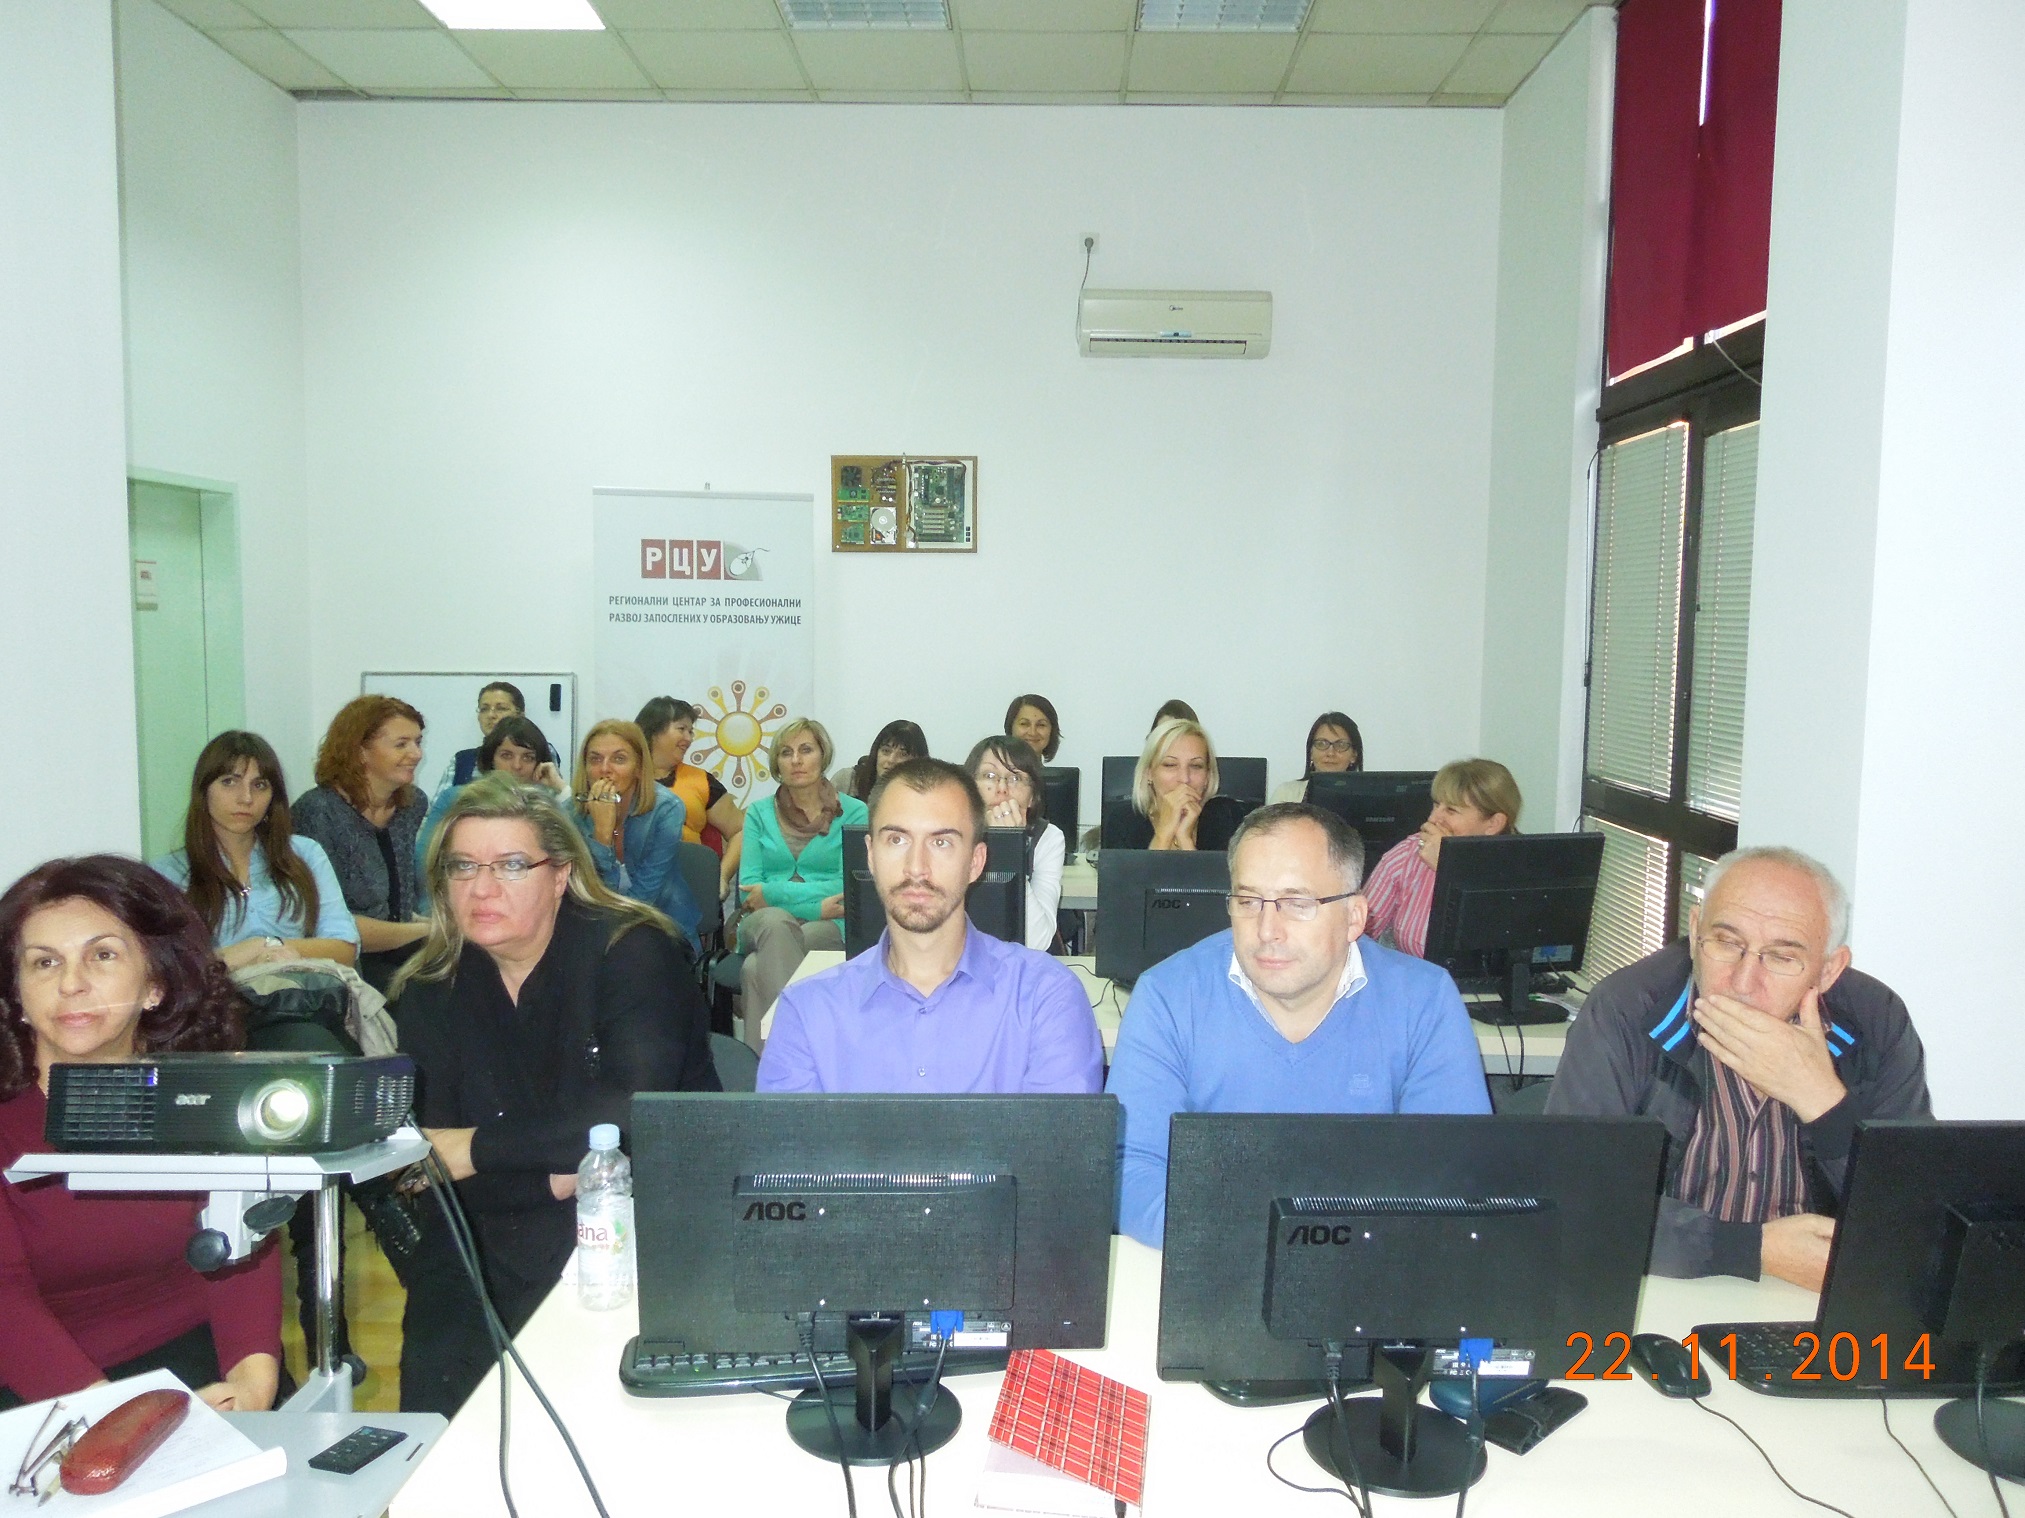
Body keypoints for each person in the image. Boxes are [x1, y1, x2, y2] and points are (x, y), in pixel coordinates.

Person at [392, 778, 719, 1415]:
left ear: (561, 874)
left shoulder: (633, 952)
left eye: (512, 865)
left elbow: (634, 1116)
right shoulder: (431, 985)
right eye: (463, 867)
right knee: (441, 1418)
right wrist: (552, 1175)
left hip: (637, 1229)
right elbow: (424, 1167)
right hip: (485, 1235)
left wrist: (478, 1150)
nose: (482, 888)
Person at [1105, 803, 1491, 1247]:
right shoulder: (1168, 995)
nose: (1267, 930)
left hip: (1371, 1264)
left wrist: (1330, 1247)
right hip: (1215, 1260)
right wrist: (1237, 1243)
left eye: (1297, 903)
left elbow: (1454, 1172)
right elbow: (1129, 1165)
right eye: (1248, 901)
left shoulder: (1423, 1000)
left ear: (1354, 917)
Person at [1545, 846, 1931, 1289]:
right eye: (1727, 943)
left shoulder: (1876, 1022)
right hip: (1666, 1285)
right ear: (1695, 931)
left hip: (1806, 1297)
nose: (1744, 983)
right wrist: (1747, 1248)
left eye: (1781, 957)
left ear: (1828, 970)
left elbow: (1914, 1218)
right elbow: (1573, 1195)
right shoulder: (1627, 1010)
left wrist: (1822, 1101)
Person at [0, 856, 280, 1410]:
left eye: (102, 955)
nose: (71, 984)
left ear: (155, 982)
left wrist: (252, 1389)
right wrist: (119, 1417)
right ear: (18, 995)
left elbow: (241, 1249)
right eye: (45, 963)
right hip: (36, 1385)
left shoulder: (203, 1100)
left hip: (197, 1358)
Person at [758, 759, 1101, 1094]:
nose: (916, 867)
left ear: (976, 862)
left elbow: (1059, 1134)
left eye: (941, 842)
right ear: (871, 855)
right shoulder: (806, 1013)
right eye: (897, 840)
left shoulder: (1045, 998)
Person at [153, 731, 359, 969]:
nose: (246, 798)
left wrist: (268, 945)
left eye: (259, 785)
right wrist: (247, 953)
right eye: (229, 782)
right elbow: (170, 969)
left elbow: (345, 949)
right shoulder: (168, 874)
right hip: (221, 992)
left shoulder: (305, 853)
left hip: (300, 988)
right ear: (203, 790)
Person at [737, 718, 866, 1050]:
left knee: (754, 968)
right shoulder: (758, 813)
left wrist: (774, 892)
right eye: (786, 752)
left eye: (806, 750)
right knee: (776, 924)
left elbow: (850, 882)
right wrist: (814, 906)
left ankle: (764, 1072)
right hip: (763, 920)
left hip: (832, 925)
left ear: (823, 755)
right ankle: (802, 1051)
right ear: (777, 763)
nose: (796, 760)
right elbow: (750, 889)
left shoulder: (855, 813)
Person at [293, 696, 430, 992]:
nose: (416, 754)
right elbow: (324, 926)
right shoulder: (318, 812)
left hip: (402, 951)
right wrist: (428, 930)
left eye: (418, 742)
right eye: (401, 744)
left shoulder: (412, 805)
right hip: (345, 966)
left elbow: (400, 905)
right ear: (360, 751)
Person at [1360, 757, 1521, 958]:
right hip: (1419, 974)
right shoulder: (1410, 852)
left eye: (1451, 810)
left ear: (1493, 824)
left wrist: (1449, 869)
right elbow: (1357, 932)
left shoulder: (1522, 868)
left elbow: (1501, 943)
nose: (1433, 818)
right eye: (1436, 805)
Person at [562, 720, 700, 949]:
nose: (605, 769)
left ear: (638, 768)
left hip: (660, 925)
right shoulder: (569, 813)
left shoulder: (666, 809)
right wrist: (602, 834)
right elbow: (581, 895)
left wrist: (603, 837)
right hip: (592, 928)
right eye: (595, 759)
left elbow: (645, 899)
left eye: (618, 759)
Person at [416, 715, 564, 892]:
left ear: (539, 764)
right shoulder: (454, 799)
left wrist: (561, 788)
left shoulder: (545, 807)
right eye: (506, 755)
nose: (517, 765)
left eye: (528, 757)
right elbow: (424, 862)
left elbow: (568, 863)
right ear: (491, 759)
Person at [635, 696, 745, 894]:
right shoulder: (623, 777)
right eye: (681, 729)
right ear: (654, 731)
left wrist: (721, 876)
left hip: (687, 887)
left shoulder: (702, 781)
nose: (688, 738)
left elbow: (741, 831)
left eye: (690, 731)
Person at [965, 735, 1064, 953]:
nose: (1002, 788)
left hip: (1019, 962)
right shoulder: (949, 835)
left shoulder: (1048, 838)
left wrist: (1008, 846)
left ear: (1032, 797)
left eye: (1015, 778)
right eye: (989, 776)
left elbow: (1037, 941)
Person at [1106, 717, 1250, 852]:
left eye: (1196, 766)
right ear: (1149, 773)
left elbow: (1212, 874)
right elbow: (1140, 873)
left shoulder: (1227, 817)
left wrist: (1184, 838)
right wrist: (1164, 833)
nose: (1184, 778)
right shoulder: (1123, 822)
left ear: (1208, 776)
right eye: (1170, 765)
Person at [427, 681, 528, 801]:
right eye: (484, 709)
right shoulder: (462, 760)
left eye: (501, 708)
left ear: (520, 715)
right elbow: (440, 808)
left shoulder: (536, 756)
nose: (491, 715)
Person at [1268, 712, 1364, 805]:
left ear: (1354, 755)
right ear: (1311, 753)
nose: (1330, 753)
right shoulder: (1286, 794)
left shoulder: (1365, 795)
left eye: (1341, 745)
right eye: (1321, 744)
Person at [837, 718, 929, 800]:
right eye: (886, 751)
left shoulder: (922, 796)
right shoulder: (848, 780)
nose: (891, 760)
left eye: (903, 754)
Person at [1003, 694, 1063, 764]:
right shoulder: (995, 770)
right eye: (1024, 724)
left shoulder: (1066, 771)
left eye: (1041, 725)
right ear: (1010, 727)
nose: (1032, 733)